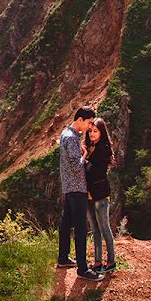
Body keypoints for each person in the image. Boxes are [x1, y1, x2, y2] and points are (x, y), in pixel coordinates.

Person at [57, 106, 104, 281]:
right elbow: (77, 165)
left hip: (69, 187)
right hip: (77, 188)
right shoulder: (71, 138)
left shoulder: (66, 134)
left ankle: (63, 258)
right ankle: (83, 269)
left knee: (66, 222)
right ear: (80, 120)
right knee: (80, 227)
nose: (90, 126)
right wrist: (85, 154)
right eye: (89, 122)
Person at [84, 118, 116, 272]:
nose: (92, 134)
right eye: (90, 131)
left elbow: (95, 171)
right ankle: (97, 262)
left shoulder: (104, 149)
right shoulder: (89, 148)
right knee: (94, 229)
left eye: (95, 131)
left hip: (101, 194)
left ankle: (111, 261)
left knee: (104, 228)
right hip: (88, 194)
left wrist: (83, 159)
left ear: (102, 132)